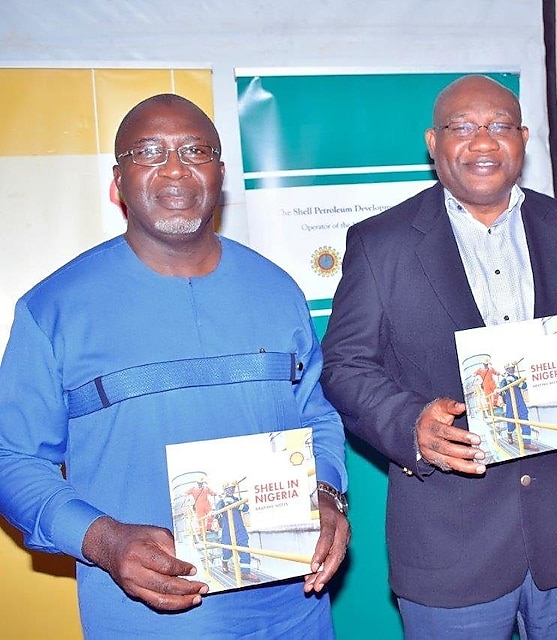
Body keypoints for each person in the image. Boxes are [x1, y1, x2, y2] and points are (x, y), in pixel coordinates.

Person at [0, 94, 349, 639]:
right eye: (148, 152)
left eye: (194, 150)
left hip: (293, 613)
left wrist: (326, 493)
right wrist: (103, 539)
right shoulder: (54, 309)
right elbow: (12, 460)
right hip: (146, 621)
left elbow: (317, 418)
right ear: (118, 181)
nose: (174, 168)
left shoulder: (278, 290)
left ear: (220, 172)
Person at [319, 74, 557, 639]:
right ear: (432, 142)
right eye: (462, 128)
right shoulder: (381, 243)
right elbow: (344, 366)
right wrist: (412, 425)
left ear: (523, 137)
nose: (483, 142)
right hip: (449, 545)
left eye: (498, 126)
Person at [215, 481, 256, 583]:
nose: (231, 489)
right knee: (227, 552)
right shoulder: (221, 501)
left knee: (244, 548)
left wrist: (235, 504)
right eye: (229, 488)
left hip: (239, 529)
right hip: (227, 530)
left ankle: (245, 573)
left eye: (233, 488)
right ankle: (224, 562)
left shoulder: (238, 499)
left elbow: (246, 508)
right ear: (225, 490)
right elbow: (217, 514)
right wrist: (221, 508)